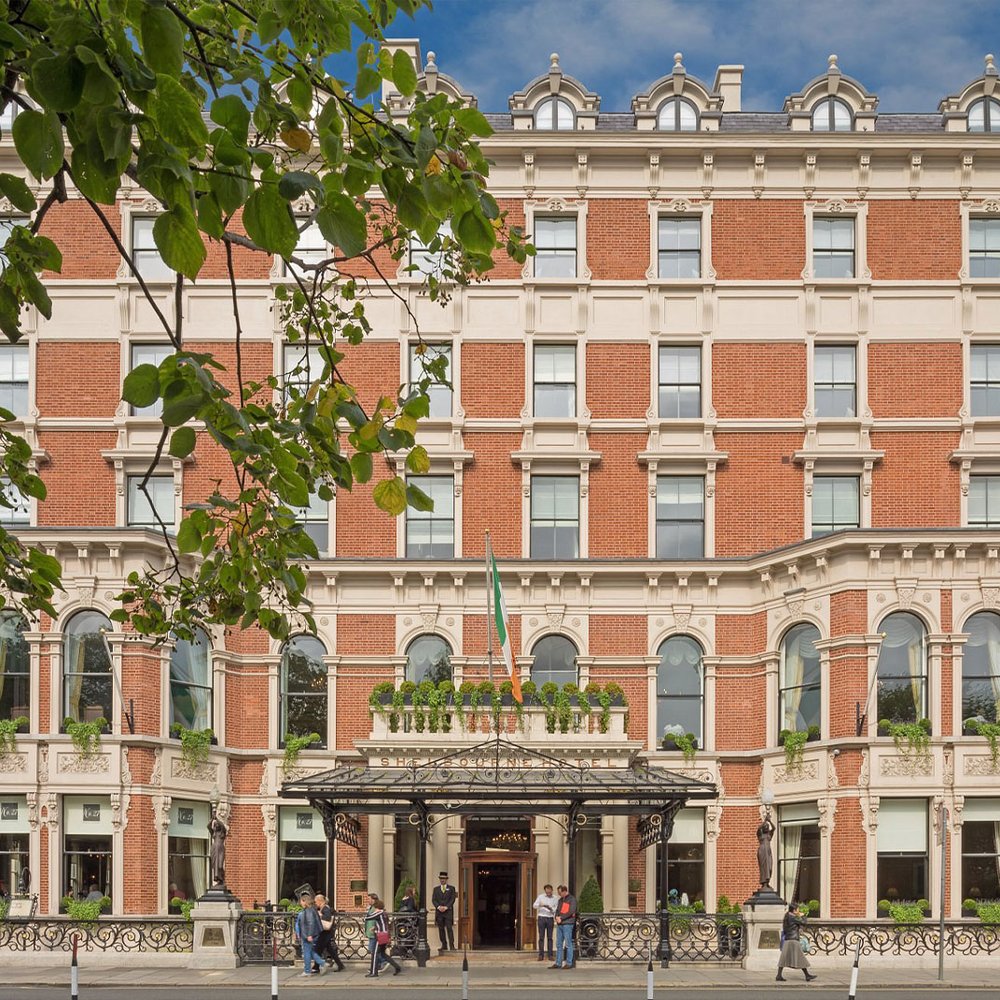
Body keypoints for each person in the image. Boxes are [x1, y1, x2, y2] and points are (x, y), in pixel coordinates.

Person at [776, 902, 816, 983]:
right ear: (794, 910)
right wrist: (803, 915)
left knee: (784, 958)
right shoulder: (793, 917)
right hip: (793, 940)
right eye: (797, 909)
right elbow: (804, 923)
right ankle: (807, 975)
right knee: (800, 958)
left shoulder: (787, 916)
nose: (798, 910)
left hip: (788, 939)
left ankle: (779, 975)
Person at [366, 894, 401, 978]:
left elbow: (368, 918)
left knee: (374, 953)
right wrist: (375, 927)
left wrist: (368, 911)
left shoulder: (378, 913)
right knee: (383, 954)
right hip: (385, 935)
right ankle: (397, 967)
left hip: (380, 935)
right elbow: (383, 923)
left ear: (377, 907)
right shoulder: (384, 913)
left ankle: (374, 972)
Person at [295, 891, 327, 977]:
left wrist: (309, 935)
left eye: (301, 901)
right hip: (309, 934)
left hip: (308, 934)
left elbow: (310, 923)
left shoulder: (309, 911)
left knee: (307, 953)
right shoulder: (311, 909)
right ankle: (322, 962)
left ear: (304, 901)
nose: (300, 903)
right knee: (309, 951)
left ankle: (307, 971)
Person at [313, 893, 345, 972]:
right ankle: (340, 965)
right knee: (329, 950)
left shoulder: (325, 909)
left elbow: (327, 917)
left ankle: (316, 967)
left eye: (316, 902)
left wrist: (319, 916)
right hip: (326, 932)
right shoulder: (323, 908)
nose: (315, 904)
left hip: (325, 932)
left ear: (320, 901)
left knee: (317, 949)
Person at [551, 884, 577, 969]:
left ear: (564, 891)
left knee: (568, 944)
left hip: (568, 923)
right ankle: (558, 963)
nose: (559, 894)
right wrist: (556, 917)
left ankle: (569, 963)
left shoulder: (572, 899)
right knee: (559, 944)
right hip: (560, 924)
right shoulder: (560, 900)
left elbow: (571, 911)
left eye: (560, 892)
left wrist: (561, 918)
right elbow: (558, 910)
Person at [431, 871, 457, 951]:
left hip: (448, 912)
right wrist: (438, 907)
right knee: (441, 929)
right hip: (439, 912)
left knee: (449, 928)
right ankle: (444, 945)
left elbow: (452, 899)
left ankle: (452, 945)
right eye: (441, 878)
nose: (442, 880)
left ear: (446, 879)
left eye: (444, 879)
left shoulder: (451, 888)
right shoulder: (436, 889)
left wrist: (446, 907)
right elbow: (434, 900)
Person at [532, 883, 557, 962]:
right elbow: (534, 905)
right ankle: (541, 955)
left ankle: (550, 955)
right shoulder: (541, 897)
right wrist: (541, 905)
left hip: (550, 918)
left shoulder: (555, 898)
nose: (548, 892)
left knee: (550, 938)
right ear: (545, 891)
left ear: (552, 890)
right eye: (547, 891)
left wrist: (550, 909)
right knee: (541, 937)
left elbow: (556, 909)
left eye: (549, 891)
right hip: (542, 918)